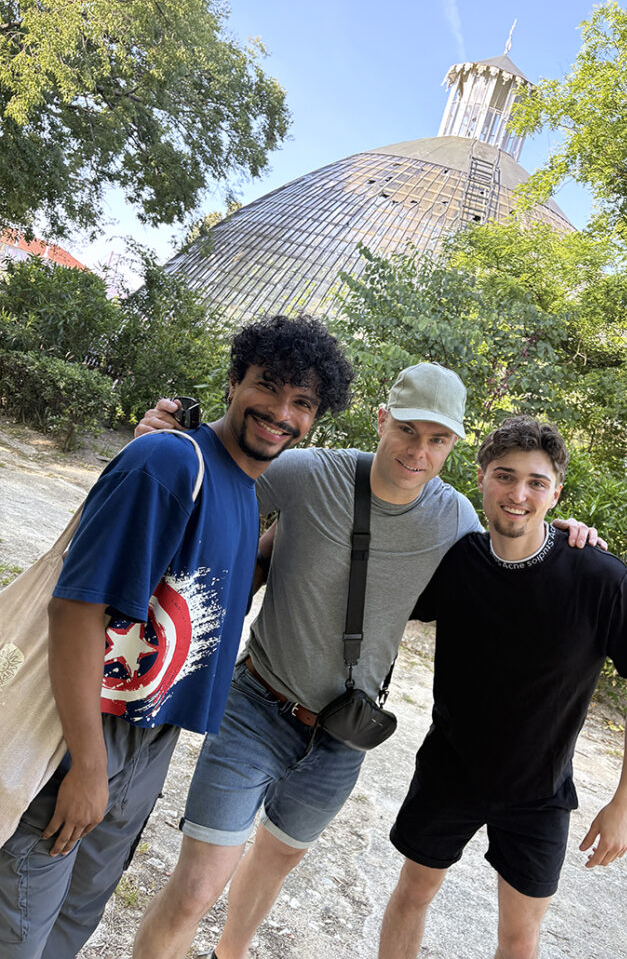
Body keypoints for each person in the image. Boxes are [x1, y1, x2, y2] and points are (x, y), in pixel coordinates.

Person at [131, 365, 601, 959]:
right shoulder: (306, 474)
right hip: (257, 705)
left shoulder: (455, 520)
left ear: (454, 446)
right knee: (196, 887)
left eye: (438, 439)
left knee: (275, 861)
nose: (418, 450)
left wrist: (569, 539)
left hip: (342, 736)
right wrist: (162, 440)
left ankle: (232, 951)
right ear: (382, 420)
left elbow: (515, 541)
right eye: (407, 430)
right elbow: (210, 483)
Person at [0, 314, 354, 959]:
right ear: (232, 382)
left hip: (150, 735)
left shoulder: (247, 494)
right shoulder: (167, 460)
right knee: (20, 921)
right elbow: (76, 611)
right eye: (267, 387)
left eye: (302, 402)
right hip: (83, 726)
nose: (280, 411)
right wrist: (88, 764)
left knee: (77, 918)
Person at [378, 415, 627, 959]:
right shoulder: (455, 561)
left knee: (519, 936)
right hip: (448, 772)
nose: (518, 493)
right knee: (413, 892)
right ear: (482, 478)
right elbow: (382, 587)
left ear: (556, 493)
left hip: (541, 793)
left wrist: (626, 802)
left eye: (536, 482)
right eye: (505, 476)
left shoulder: (601, 579)